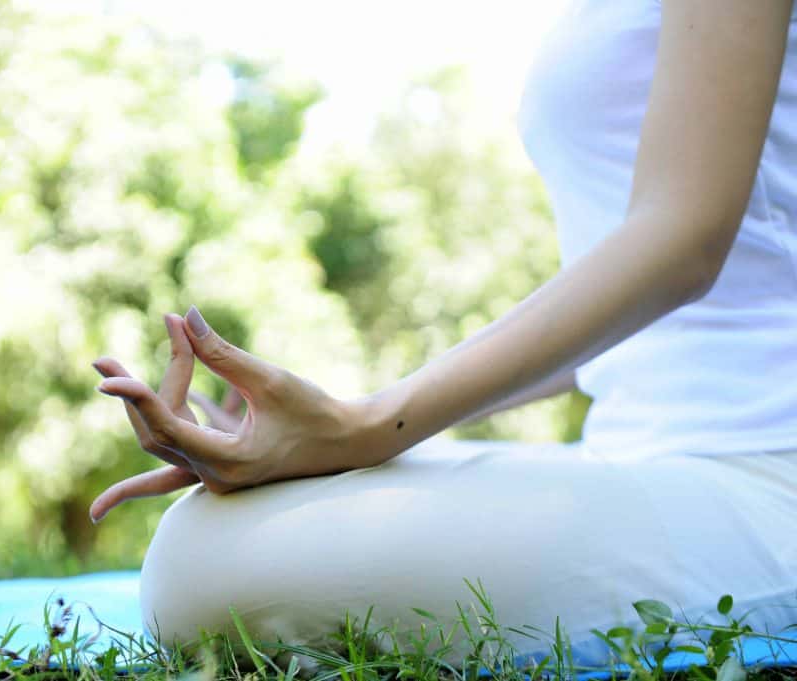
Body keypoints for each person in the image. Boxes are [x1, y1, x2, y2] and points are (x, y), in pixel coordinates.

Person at [88, 0, 797, 668]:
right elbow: (616, 327)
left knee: (205, 567)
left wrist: (368, 428)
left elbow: (684, 243)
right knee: (229, 525)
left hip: (764, 464)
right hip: (627, 455)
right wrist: (331, 419)